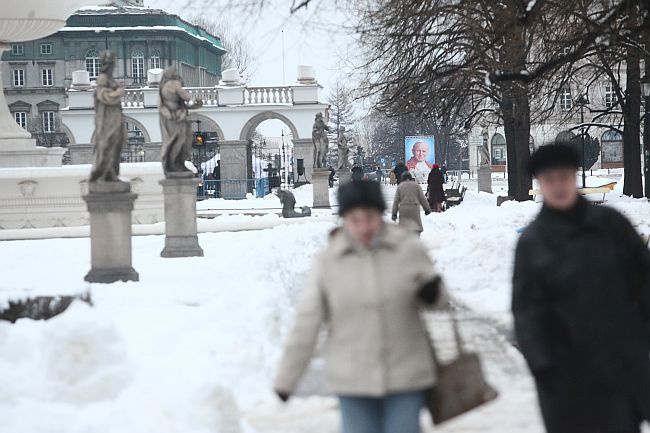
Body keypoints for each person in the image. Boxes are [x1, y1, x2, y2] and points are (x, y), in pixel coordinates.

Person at [274, 180, 449, 433]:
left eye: (370, 217)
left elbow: (441, 304)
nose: (364, 226)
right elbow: (307, 322)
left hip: (406, 374)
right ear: (344, 219)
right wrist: (286, 378)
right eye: (355, 219)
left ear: (380, 214)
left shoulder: (407, 249)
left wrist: (432, 292)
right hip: (352, 378)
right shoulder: (329, 261)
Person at [512, 144, 650, 433]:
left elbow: (642, 280)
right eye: (550, 180)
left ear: (575, 177)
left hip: (621, 366)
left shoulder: (611, 225)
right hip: (567, 377)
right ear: (540, 184)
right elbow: (527, 310)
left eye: (564, 177)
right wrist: (543, 364)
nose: (558, 186)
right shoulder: (534, 242)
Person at [392, 172, 431, 236]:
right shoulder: (416, 186)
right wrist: (427, 209)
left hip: (403, 209)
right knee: (416, 226)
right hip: (414, 208)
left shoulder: (400, 187)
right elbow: (422, 199)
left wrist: (394, 214)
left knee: (404, 228)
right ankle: (415, 241)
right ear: (410, 178)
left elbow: (396, 201)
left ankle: (405, 242)